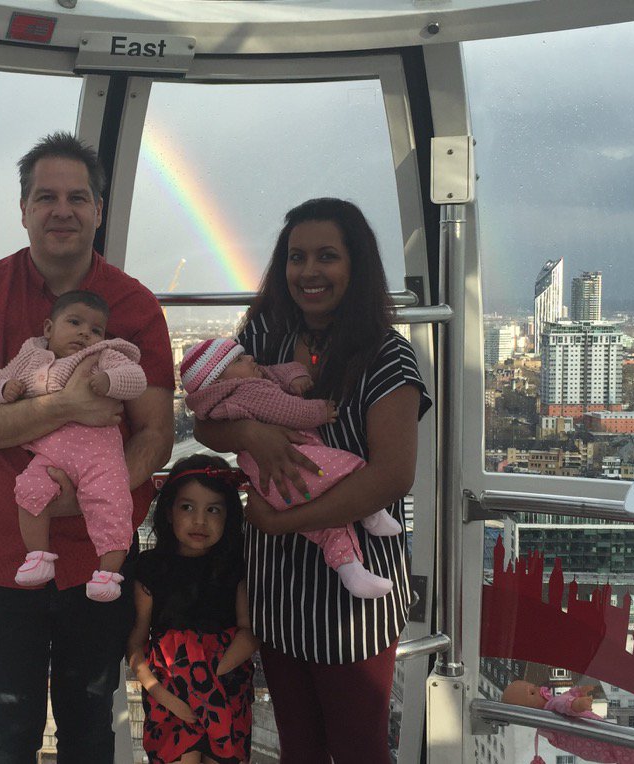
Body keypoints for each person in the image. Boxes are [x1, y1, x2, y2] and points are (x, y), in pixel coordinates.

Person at [0, 132, 174, 763]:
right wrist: (65, 407)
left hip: (98, 558)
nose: (61, 211)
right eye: (45, 197)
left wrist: (89, 498)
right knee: (6, 736)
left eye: (77, 198)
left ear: (99, 209)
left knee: (89, 730)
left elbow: (156, 434)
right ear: (23, 209)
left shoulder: (134, 305)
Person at [194, 197, 432, 763]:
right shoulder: (264, 338)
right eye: (296, 257)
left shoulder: (388, 357)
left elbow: (391, 476)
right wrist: (252, 434)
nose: (309, 272)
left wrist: (284, 521)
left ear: (357, 265)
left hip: (353, 595)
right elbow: (205, 421)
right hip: (279, 586)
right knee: (299, 746)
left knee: (357, 748)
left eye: (327, 256)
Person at [180, 337, 401, 598]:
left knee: (329, 529)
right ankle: (371, 514)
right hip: (298, 466)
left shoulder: (238, 382)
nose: (251, 358)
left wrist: (295, 376)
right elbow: (288, 410)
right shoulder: (249, 388)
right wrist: (321, 411)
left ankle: (351, 570)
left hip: (274, 490)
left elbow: (274, 372)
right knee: (353, 468)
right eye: (240, 359)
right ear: (219, 381)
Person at [0, 289, 147, 601]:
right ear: (49, 328)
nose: (85, 333)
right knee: (29, 489)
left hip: (99, 453)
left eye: (96, 330)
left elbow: (136, 377)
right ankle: (38, 556)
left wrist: (111, 381)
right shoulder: (29, 358)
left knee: (112, 505)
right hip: (50, 452)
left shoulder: (103, 354)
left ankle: (108, 574)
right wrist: (5, 389)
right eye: (74, 323)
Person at [127, 454, 260, 764]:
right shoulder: (150, 568)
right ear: (169, 512)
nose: (200, 521)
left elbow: (250, 631)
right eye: (187, 507)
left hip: (227, 690)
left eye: (213, 510)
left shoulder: (236, 566)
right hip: (169, 697)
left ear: (228, 516)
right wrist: (160, 692)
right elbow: (136, 641)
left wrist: (212, 676)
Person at [502, 681, 634, 764]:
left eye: (533, 686)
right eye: (532, 693)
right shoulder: (550, 709)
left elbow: (566, 698)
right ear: (528, 711)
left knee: (622, 751)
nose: (540, 689)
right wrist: (577, 704)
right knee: (627, 747)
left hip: (593, 743)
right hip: (597, 738)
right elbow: (565, 704)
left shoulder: (546, 723)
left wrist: (578, 691)